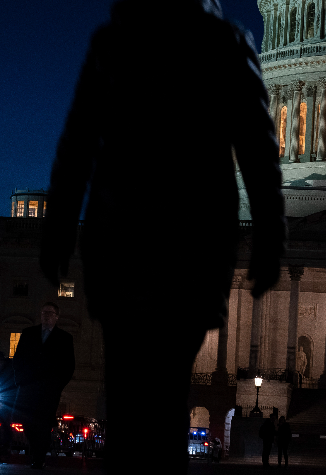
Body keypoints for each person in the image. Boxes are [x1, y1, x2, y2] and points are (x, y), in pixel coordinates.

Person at [39, 0, 286, 473]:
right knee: (167, 389)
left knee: (129, 390)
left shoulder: (115, 42)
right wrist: (270, 236)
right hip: (190, 244)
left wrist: (59, 231)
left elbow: (77, 145)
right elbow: (257, 149)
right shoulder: (225, 43)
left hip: (123, 240)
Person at [12, 303, 75, 469]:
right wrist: (20, 380)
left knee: (44, 424)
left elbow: (68, 366)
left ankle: (38, 457)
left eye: (50, 313)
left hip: (49, 390)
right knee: (27, 422)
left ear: (56, 316)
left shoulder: (65, 338)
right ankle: (36, 454)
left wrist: (57, 386)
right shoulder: (28, 333)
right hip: (29, 388)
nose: (46, 315)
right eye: (44, 312)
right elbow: (18, 359)